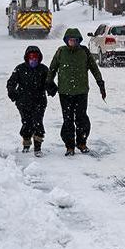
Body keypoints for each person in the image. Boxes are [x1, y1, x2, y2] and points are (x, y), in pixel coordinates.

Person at [48, 27, 106, 156]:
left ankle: (82, 142)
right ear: (66, 41)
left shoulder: (84, 52)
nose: (72, 42)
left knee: (81, 118)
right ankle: (69, 146)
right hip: (65, 92)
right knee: (67, 120)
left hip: (81, 92)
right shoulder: (61, 52)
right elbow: (52, 68)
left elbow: (94, 68)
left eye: (75, 40)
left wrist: (100, 83)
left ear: (79, 40)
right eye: (70, 40)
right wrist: (49, 82)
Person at [6, 46, 57, 154]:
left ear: (39, 58)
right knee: (27, 123)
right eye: (31, 57)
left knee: (38, 122)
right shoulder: (20, 69)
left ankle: (37, 147)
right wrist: (12, 92)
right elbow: (11, 82)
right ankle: (26, 143)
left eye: (35, 57)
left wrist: (52, 88)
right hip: (23, 102)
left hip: (39, 101)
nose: (33, 60)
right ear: (27, 58)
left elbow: (49, 82)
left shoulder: (43, 69)